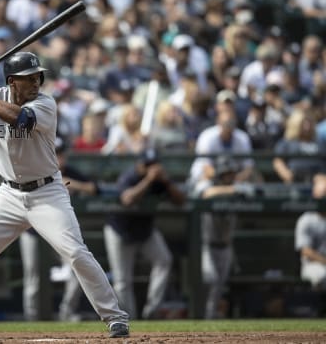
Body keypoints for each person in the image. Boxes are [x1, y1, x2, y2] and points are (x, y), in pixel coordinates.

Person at [0, 51, 129, 339]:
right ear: (12, 81)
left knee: (75, 252)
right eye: (28, 79)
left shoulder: (45, 103)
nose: (35, 82)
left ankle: (115, 317)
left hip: (47, 192)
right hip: (8, 194)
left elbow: (19, 119)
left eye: (37, 76)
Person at [19, 136, 97, 322]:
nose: (58, 159)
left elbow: (94, 188)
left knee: (78, 267)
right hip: (33, 230)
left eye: (61, 154)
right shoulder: (35, 171)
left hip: (60, 231)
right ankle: (31, 320)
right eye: (54, 154)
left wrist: (70, 182)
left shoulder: (69, 172)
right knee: (33, 278)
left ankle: (66, 312)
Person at [103, 148, 185, 319]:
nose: (151, 168)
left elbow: (181, 201)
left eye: (154, 165)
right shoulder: (129, 177)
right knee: (122, 281)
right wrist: (148, 179)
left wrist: (167, 182)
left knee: (164, 260)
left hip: (145, 231)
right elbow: (127, 199)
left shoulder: (161, 180)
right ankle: (129, 319)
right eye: (147, 165)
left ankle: (152, 312)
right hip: (120, 231)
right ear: (139, 164)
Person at [191, 155, 256, 319]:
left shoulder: (238, 188)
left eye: (232, 174)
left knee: (220, 285)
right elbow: (205, 193)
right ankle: (201, 315)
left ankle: (209, 318)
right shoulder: (209, 185)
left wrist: (241, 190)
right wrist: (233, 190)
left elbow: (254, 193)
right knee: (210, 279)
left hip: (226, 246)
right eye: (227, 174)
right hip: (207, 245)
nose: (231, 177)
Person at [295, 173, 326, 291]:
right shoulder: (306, 219)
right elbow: (306, 251)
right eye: (323, 195)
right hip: (313, 265)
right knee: (322, 275)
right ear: (315, 195)